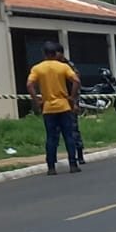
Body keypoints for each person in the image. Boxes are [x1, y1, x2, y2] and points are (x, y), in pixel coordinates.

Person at [27, 42, 81, 176]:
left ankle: (51, 167)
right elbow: (76, 81)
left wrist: (36, 100)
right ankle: (73, 164)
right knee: (68, 135)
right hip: (63, 106)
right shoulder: (63, 67)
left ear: (44, 54)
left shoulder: (37, 68)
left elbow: (29, 84)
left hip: (48, 107)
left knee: (51, 137)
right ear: (55, 54)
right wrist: (72, 97)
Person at [55, 44, 85, 165]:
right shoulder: (52, 66)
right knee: (55, 131)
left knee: (73, 129)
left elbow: (76, 83)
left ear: (61, 53)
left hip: (69, 101)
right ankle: (54, 157)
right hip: (56, 102)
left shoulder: (68, 66)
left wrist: (74, 101)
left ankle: (79, 155)